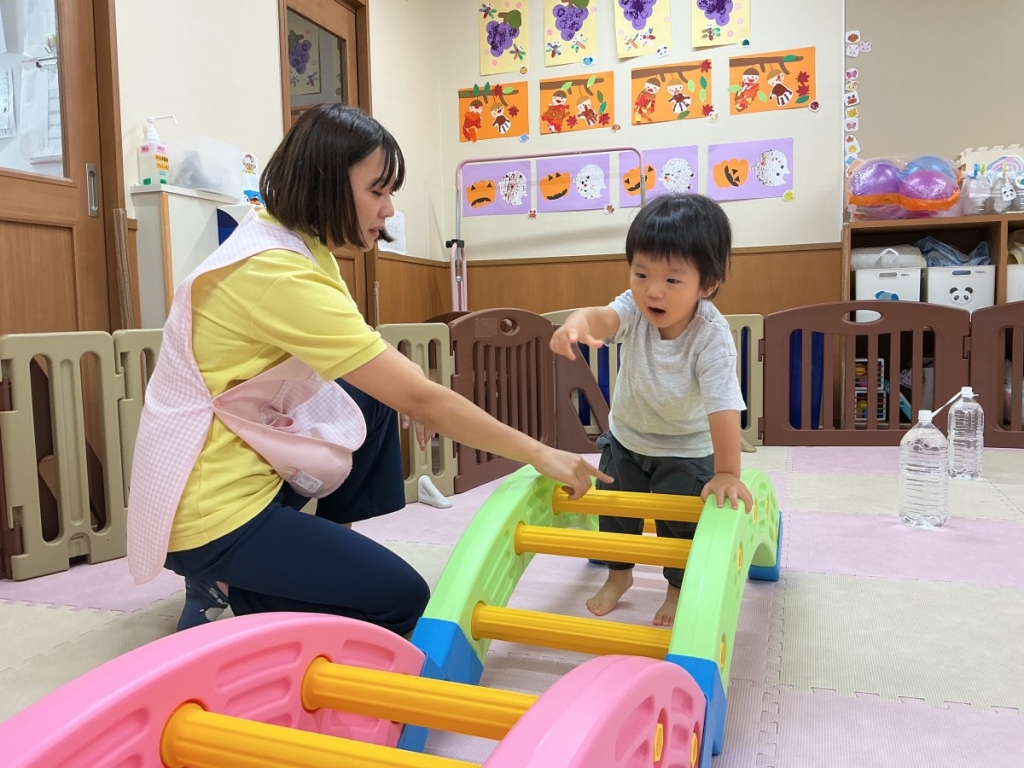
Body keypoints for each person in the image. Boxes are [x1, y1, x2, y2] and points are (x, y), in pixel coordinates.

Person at [126, 104, 610, 635]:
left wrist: (410, 394)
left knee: (372, 399)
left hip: (250, 449)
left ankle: (314, 556)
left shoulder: (296, 242)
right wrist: (538, 452)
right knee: (401, 601)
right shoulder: (275, 272)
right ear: (328, 186)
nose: (388, 209)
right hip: (212, 511)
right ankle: (234, 588)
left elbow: (373, 361)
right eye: (377, 192)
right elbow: (420, 398)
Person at [549, 193, 754, 627]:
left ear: (708, 283)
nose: (652, 290)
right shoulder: (635, 307)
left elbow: (722, 409)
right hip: (627, 437)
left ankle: (677, 588)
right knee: (617, 510)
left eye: (672, 281)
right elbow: (604, 317)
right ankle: (618, 576)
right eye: (641, 273)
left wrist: (728, 473)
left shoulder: (711, 337)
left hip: (686, 447)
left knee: (679, 523)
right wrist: (577, 323)